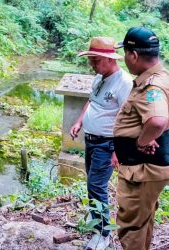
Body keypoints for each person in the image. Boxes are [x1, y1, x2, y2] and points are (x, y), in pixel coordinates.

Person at [70, 37, 132, 250]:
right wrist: (79, 121)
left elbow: (127, 118)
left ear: (109, 59)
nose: (92, 64)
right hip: (91, 141)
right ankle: (96, 220)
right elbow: (91, 101)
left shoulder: (123, 82)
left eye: (95, 60)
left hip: (107, 144)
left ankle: (103, 234)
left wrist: (117, 151)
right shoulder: (99, 77)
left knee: (97, 185)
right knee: (92, 183)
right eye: (91, 60)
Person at [114, 27, 169, 250]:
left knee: (132, 225)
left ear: (134, 55)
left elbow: (157, 120)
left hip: (142, 168)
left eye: (125, 53)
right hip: (146, 169)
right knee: (143, 221)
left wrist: (142, 142)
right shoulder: (162, 77)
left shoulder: (152, 85)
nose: (125, 59)